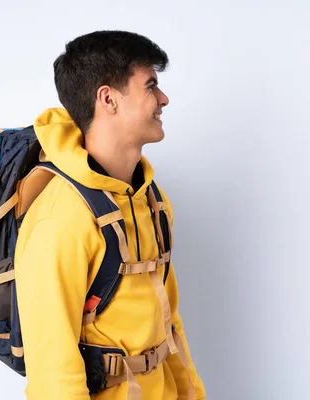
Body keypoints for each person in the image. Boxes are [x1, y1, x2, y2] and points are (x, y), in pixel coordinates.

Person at [14, 30, 206, 399]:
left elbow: (169, 325)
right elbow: (52, 376)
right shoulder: (61, 219)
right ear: (108, 99)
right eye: (150, 86)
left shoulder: (152, 200)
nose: (163, 99)